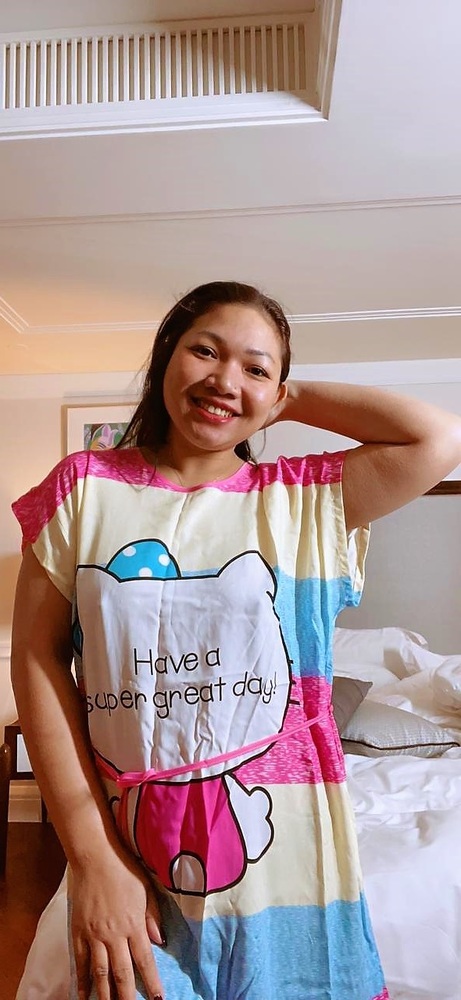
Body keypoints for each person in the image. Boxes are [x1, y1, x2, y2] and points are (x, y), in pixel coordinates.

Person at [10, 280, 461, 1000]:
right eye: (205, 351)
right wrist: (92, 858)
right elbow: (36, 659)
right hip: (130, 850)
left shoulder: (307, 499)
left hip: (294, 868)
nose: (224, 380)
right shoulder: (83, 488)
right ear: (166, 354)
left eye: (255, 367)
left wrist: (285, 392)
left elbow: (438, 439)